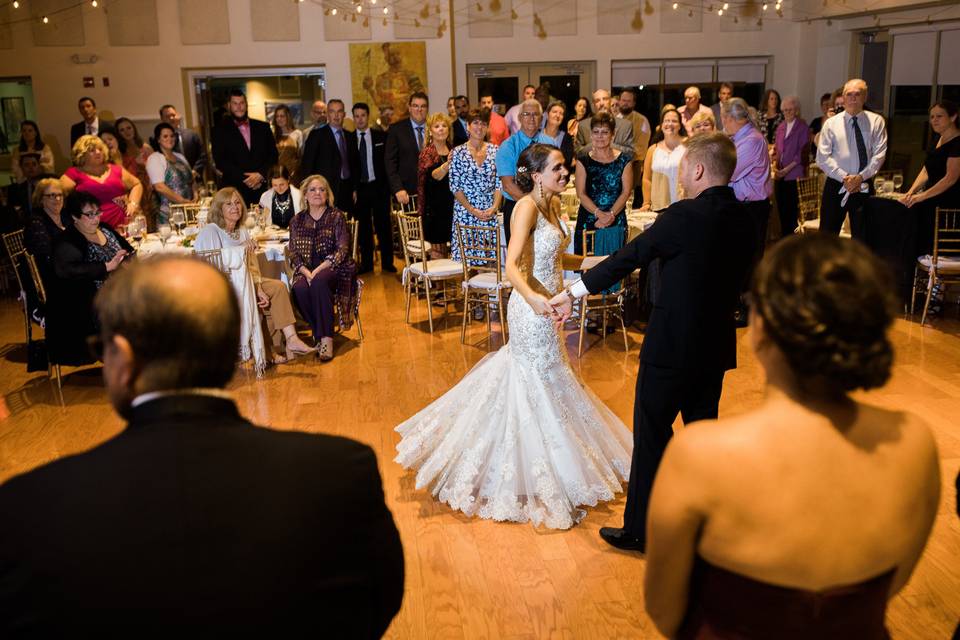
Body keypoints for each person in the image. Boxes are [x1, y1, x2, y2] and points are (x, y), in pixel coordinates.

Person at [0, 255, 405, 637]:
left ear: (120, 358)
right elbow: (375, 603)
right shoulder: (339, 471)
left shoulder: (26, 507)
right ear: (229, 349)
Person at [644, 233, 940, 639]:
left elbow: (664, 609)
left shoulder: (699, 453)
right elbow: (894, 583)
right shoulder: (914, 443)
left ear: (759, 330)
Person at [395, 143, 632, 529]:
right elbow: (512, 267)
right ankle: (536, 471)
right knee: (532, 381)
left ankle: (559, 462)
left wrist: (599, 262)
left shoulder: (553, 206)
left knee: (550, 380)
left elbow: (556, 260)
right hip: (532, 309)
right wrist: (536, 299)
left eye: (564, 168)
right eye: (557, 168)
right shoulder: (524, 207)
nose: (564, 174)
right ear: (536, 175)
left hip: (551, 306)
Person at [549, 132, 758, 551]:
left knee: (651, 433)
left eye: (683, 165)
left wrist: (573, 292)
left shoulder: (683, 216)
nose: (679, 173)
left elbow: (630, 257)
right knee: (703, 434)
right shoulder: (746, 218)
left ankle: (641, 528)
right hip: (715, 346)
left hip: (671, 347)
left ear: (698, 169)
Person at [195, 187, 314, 366]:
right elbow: (209, 263)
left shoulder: (242, 230)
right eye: (228, 204)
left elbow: (252, 265)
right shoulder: (211, 231)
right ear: (219, 208)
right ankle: (267, 352)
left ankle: (291, 339)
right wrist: (240, 248)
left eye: (237, 203)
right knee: (262, 299)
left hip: (247, 282)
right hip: (224, 288)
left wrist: (258, 288)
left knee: (278, 288)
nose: (235, 207)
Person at [49, 191, 133, 365]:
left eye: (98, 213)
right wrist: (106, 267)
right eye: (90, 215)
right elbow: (66, 270)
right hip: (90, 301)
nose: (96, 219)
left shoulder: (105, 229)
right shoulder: (67, 240)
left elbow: (127, 250)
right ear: (75, 217)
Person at [289, 175, 359, 362]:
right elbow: (294, 253)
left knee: (319, 282)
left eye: (322, 190)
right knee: (299, 288)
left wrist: (317, 270)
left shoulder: (336, 217)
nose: (317, 193)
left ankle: (326, 338)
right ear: (305, 195)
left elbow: (342, 250)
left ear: (327, 195)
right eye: (312, 190)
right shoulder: (296, 221)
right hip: (307, 270)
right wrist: (305, 271)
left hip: (335, 268)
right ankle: (319, 332)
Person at [816, 79, 887, 236]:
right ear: (843, 96)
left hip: (863, 184)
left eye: (858, 94)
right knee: (827, 237)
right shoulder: (831, 124)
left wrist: (860, 177)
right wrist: (845, 177)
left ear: (864, 97)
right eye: (849, 94)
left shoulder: (876, 121)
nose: (853, 98)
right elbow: (822, 157)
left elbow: (879, 154)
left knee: (863, 237)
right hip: (836, 184)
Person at [902, 100, 960, 255]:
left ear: (953, 117)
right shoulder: (937, 139)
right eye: (932, 116)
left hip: (948, 202)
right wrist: (911, 192)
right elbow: (926, 170)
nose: (934, 120)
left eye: (939, 116)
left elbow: (950, 178)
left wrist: (922, 196)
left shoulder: (957, 143)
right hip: (931, 198)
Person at [574, 112, 633, 260]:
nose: (600, 136)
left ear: (613, 135)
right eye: (596, 132)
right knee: (588, 270)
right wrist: (599, 214)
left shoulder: (625, 160)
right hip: (589, 220)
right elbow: (581, 193)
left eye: (605, 132)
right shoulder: (583, 160)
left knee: (615, 267)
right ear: (591, 135)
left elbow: (626, 192)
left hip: (616, 220)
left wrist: (611, 215)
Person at [449, 108, 502, 263]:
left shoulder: (495, 150)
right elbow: (454, 186)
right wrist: (472, 210)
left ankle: (487, 288)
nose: (479, 127)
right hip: (465, 214)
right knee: (468, 265)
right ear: (468, 126)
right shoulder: (457, 152)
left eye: (483, 123)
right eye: (476, 123)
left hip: (488, 213)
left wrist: (494, 207)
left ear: (487, 127)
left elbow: (500, 183)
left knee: (491, 262)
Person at [722, 97, 772, 252]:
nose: (722, 124)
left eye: (723, 119)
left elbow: (728, 172)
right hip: (745, 206)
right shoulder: (741, 137)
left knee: (750, 260)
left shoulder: (752, 140)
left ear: (729, 118)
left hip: (752, 208)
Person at [211, 89, 278, 205]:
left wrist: (260, 175)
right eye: (235, 103)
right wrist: (249, 180)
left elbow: (273, 156)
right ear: (229, 106)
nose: (239, 107)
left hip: (262, 189)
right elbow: (220, 161)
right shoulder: (219, 130)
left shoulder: (263, 127)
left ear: (246, 105)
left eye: (242, 103)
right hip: (234, 192)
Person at [61, 134, 142, 229]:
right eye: (92, 150)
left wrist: (133, 204)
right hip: (93, 230)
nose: (98, 152)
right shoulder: (74, 173)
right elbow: (56, 194)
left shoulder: (116, 169)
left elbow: (137, 184)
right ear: (82, 154)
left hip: (124, 226)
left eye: (100, 149)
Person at [351, 102, 394, 273]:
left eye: (363, 115)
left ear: (367, 116)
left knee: (384, 225)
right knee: (364, 228)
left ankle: (387, 263)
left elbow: (388, 162)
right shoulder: (349, 139)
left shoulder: (380, 136)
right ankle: (367, 264)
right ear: (353, 118)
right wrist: (353, 189)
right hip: (360, 189)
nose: (360, 119)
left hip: (379, 187)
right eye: (357, 116)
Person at [299, 99, 358, 215]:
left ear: (344, 114)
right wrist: (309, 192)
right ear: (327, 114)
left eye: (339, 111)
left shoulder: (350, 136)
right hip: (325, 190)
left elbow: (355, 164)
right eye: (332, 111)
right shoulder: (316, 135)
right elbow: (307, 166)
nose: (336, 115)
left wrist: (355, 188)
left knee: (346, 227)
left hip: (347, 190)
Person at [497, 99, 543, 244]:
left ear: (541, 119)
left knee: (544, 255)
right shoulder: (508, 147)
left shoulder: (549, 143)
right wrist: (534, 205)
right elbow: (508, 186)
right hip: (517, 207)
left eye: (535, 114)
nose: (531, 118)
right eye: (526, 114)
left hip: (545, 208)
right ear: (519, 118)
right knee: (520, 258)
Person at [22, 178, 66, 320]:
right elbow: (46, 257)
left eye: (60, 194)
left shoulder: (65, 218)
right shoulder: (36, 222)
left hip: (66, 269)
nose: (57, 199)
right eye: (51, 195)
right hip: (52, 281)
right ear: (41, 199)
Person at [416, 112, 454, 259]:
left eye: (444, 126)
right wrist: (448, 164)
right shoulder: (427, 153)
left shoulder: (453, 149)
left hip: (451, 206)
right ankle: (438, 282)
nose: (441, 129)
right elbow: (434, 176)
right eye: (437, 126)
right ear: (430, 131)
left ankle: (452, 281)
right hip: (434, 210)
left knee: (454, 253)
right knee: (438, 254)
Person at [773, 96, 811, 239]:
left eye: (790, 110)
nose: (787, 113)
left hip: (793, 175)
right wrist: (776, 166)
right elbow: (778, 150)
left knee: (791, 213)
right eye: (784, 110)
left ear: (796, 111)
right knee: (781, 212)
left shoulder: (802, 127)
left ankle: (791, 244)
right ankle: (784, 242)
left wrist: (785, 170)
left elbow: (801, 154)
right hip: (780, 175)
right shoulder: (781, 127)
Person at [385, 92, 429, 207]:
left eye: (423, 106)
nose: (419, 109)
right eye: (415, 106)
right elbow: (390, 163)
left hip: (432, 191)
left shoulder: (435, 128)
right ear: (409, 108)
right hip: (407, 194)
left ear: (427, 109)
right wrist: (397, 188)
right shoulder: (396, 130)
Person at [147, 122, 195, 225]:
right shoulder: (155, 158)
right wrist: (181, 201)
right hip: (169, 216)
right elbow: (159, 187)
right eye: (165, 136)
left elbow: (191, 180)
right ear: (158, 139)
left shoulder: (180, 156)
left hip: (189, 210)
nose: (170, 138)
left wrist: (195, 196)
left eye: (172, 136)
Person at [640, 108, 686, 212]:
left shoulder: (687, 146)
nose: (670, 124)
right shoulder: (653, 149)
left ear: (679, 125)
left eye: (674, 121)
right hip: (658, 207)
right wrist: (646, 202)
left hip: (683, 206)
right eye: (666, 121)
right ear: (661, 125)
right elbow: (646, 179)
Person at [574, 89, 634, 155]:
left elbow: (630, 153)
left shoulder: (625, 125)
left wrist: (608, 144)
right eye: (597, 101)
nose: (601, 103)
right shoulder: (583, 125)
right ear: (593, 104)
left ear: (610, 101)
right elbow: (578, 152)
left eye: (605, 99)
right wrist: (594, 144)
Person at [619, 87, 652, 204]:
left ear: (633, 103)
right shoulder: (612, 119)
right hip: (612, 169)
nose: (625, 103)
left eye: (628, 101)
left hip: (633, 168)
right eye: (623, 100)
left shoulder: (642, 121)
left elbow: (641, 148)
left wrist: (617, 151)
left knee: (629, 202)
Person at [115, 117, 153, 219]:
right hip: (133, 193)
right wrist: (135, 163)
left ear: (134, 129)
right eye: (122, 130)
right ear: (118, 134)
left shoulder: (145, 148)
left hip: (150, 192)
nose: (127, 132)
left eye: (129, 128)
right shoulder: (119, 153)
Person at [157, 104, 208, 179]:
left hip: (195, 180)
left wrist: (195, 171)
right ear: (162, 119)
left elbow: (203, 155)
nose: (171, 118)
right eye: (167, 117)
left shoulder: (192, 135)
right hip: (172, 183)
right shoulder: (157, 140)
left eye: (173, 115)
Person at [258, 164, 302, 229]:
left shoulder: (299, 196)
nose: (279, 188)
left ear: (288, 180)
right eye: (275, 185)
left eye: (282, 184)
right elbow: (261, 222)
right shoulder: (265, 197)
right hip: (272, 236)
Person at [538, 100, 575, 170]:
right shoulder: (536, 135)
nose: (558, 115)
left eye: (561, 113)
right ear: (547, 115)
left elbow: (567, 163)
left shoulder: (567, 138)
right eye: (554, 112)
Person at [271, 104, 303, 178]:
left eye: (282, 116)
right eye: (277, 116)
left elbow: (301, 156)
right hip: (277, 174)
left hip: (294, 174)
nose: (279, 119)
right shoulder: (272, 135)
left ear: (288, 117)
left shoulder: (297, 133)